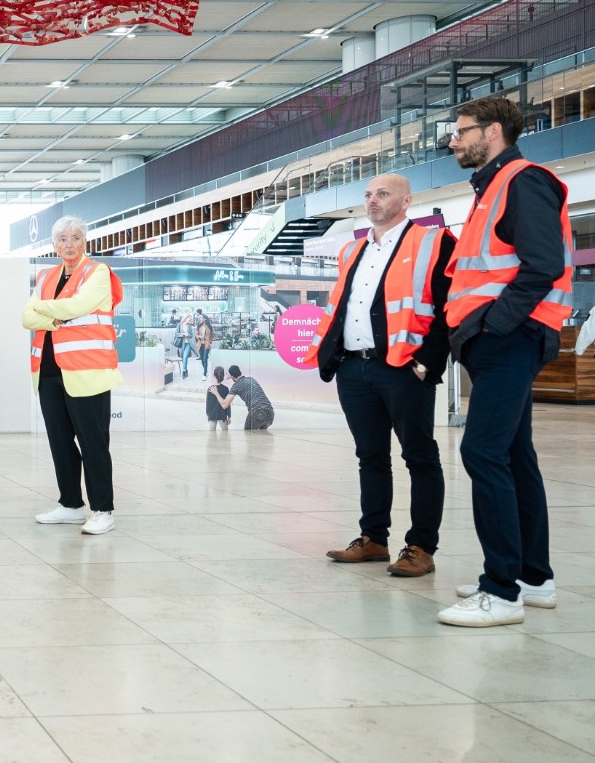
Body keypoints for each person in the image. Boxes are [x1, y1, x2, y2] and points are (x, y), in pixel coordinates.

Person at [438, 97, 574, 627]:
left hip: (509, 337)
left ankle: (502, 591)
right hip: (499, 338)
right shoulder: (491, 188)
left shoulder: (521, 180)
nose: (454, 141)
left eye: (461, 131)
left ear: (492, 132)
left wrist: (496, 324)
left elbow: (543, 265)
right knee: (515, 456)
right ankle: (532, 578)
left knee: (482, 452)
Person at [305, 173, 455, 578]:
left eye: (382, 194)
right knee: (369, 456)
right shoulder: (353, 250)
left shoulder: (433, 242)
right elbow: (343, 306)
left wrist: (427, 365)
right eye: (368, 195)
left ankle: (421, 546)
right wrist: (332, 356)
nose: (372, 201)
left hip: (404, 369)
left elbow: (449, 309)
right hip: (355, 368)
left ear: (406, 200)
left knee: (419, 456)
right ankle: (373, 538)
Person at [22, 215, 123, 536]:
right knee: (60, 442)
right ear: (53, 245)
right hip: (49, 371)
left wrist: (47, 310)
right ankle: (70, 504)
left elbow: (77, 306)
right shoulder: (46, 275)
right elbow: (26, 316)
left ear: (85, 241)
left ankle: (103, 509)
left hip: (87, 370)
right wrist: (55, 314)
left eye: (75, 237)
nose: (69, 244)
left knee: (93, 443)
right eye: (62, 239)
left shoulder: (98, 272)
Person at [210, 365, 274, 430]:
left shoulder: (236, 386)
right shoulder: (251, 379)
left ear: (232, 376)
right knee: (261, 436)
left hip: (257, 412)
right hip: (270, 412)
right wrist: (231, 376)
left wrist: (216, 393)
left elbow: (224, 405)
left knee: (248, 435)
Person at [205, 366, 230, 431]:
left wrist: (208, 415)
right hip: (222, 415)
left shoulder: (210, 388)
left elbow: (208, 404)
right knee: (225, 435)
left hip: (212, 415)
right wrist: (229, 416)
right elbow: (227, 404)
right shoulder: (225, 389)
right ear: (223, 375)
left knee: (212, 437)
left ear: (214, 375)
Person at [194, 309, 214, 382]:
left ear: (204, 319)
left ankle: (204, 374)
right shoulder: (199, 326)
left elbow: (212, 335)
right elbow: (196, 335)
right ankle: (205, 371)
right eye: (199, 318)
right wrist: (199, 336)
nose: (199, 319)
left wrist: (209, 341)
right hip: (200, 344)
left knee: (205, 358)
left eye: (201, 318)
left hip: (206, 345)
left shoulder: (209, 327)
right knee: (202, 359)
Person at [175, 311, 197, 379]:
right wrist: (183, 334)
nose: (190, 320)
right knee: (184, 358)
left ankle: (184, 371)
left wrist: (188, 335)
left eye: (190, 319)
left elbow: (191, 335)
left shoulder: (189, 326)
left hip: (188, 344)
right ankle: (186, 369)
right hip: (182, 344)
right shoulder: (179, 325)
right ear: (185, 318)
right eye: (189, 319)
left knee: (184, 357)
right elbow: (176, 334)